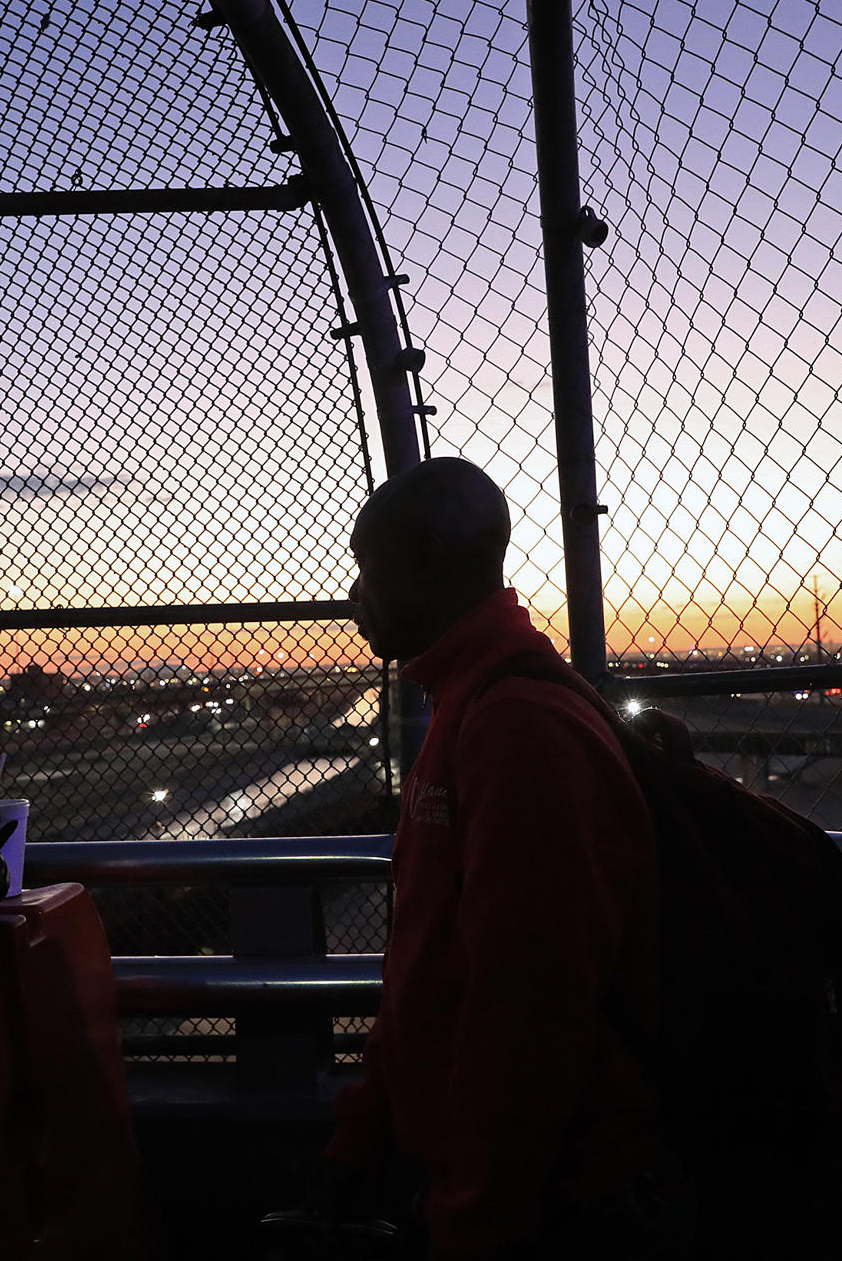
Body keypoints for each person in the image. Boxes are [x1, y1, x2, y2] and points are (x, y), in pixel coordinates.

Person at [308, 457, 666, 1259]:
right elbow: (429, 963)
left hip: (549, 1198)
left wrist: (475, 1218)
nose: (353, 596)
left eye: (367, 568)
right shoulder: (467, 699)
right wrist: (364, 1133)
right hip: (492, 1177)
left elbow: (531, 1007)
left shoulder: (517, 721)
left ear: (430, 557)